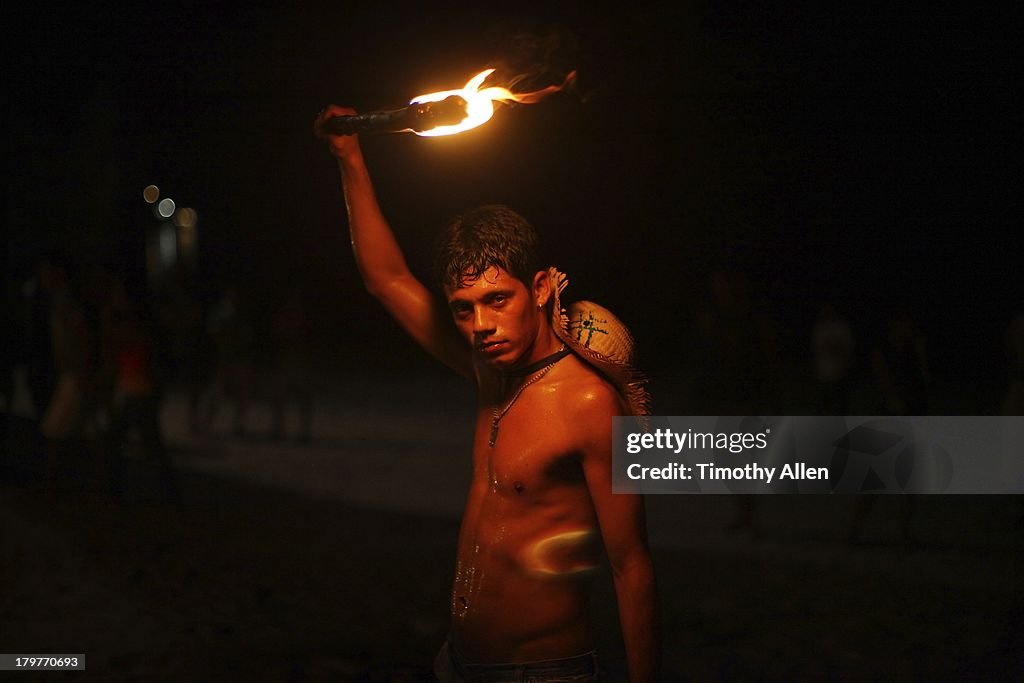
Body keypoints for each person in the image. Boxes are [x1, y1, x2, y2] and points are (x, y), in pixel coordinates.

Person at [316, 106, 657, 682]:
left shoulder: (587, 403)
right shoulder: (488, 369)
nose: (481, 325)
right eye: (463, 309)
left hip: (545, 673)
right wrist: (350, 157)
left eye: (498, 299)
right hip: (459, 663)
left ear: (543, 286)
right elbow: (387, 280)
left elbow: (631, 566)